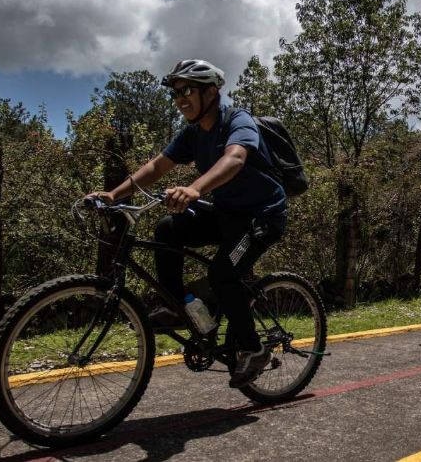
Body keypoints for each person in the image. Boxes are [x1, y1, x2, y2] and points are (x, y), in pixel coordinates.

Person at [87, 59, 286, 388]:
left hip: (261, 216)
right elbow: (157, 166)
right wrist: (113, 195)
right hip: (226, 212)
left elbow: (235, 157)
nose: (180, 98)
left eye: (187, 90)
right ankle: (180, 308)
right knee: (167, 229)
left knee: (223, 274)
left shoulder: (238, 120)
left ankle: (253, 349)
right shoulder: (193, 134)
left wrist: (194, 189)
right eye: (176, 93)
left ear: (211, 92)